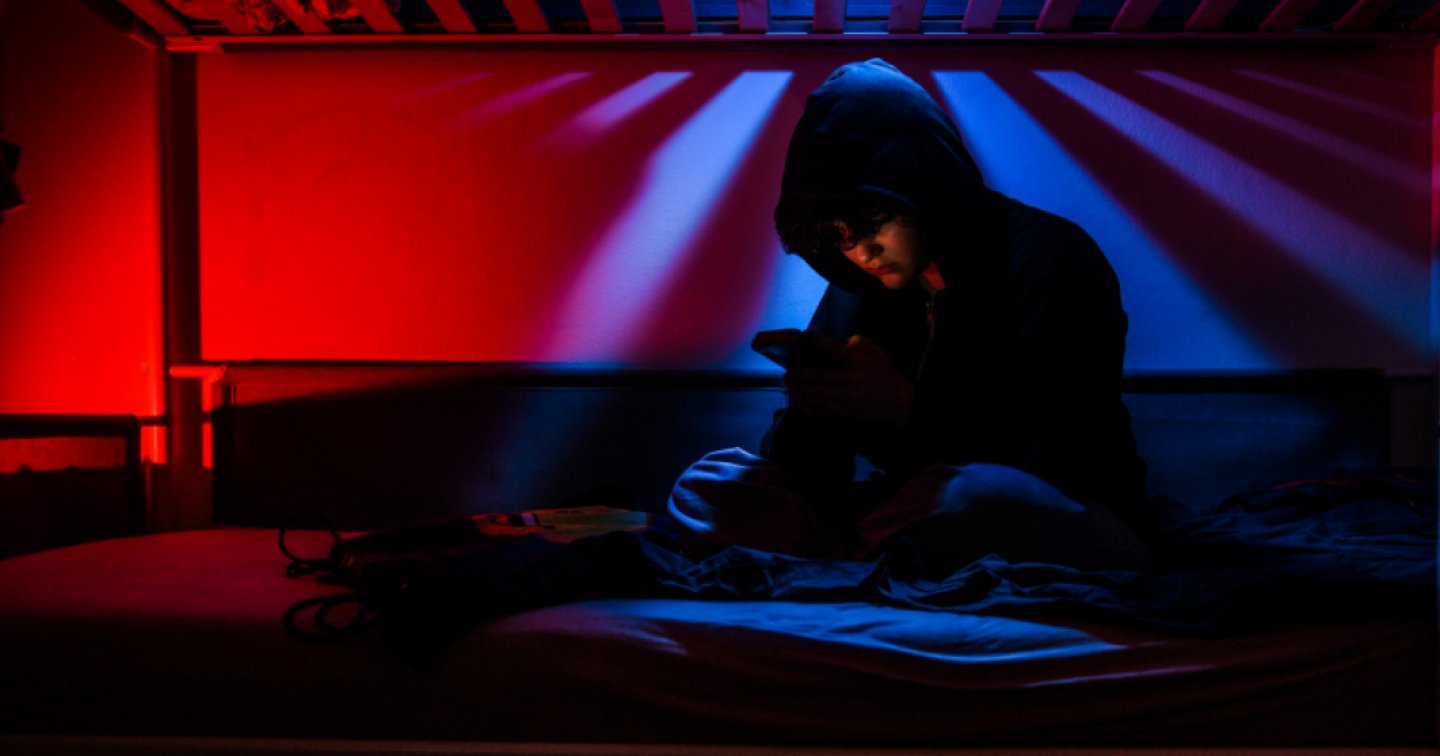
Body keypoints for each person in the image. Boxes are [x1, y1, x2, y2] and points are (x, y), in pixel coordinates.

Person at [667, 59, 1153, 574]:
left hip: (1054, 508)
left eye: (874, 220)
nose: (862, 252)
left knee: (972, 497)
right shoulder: (859, 289)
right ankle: (871, 551)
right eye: (839, 235)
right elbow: (811, 471)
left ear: (926, 186)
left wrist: (907, 409)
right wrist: (811, 412)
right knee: (710, 484)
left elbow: (1063, 455)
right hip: (905, 511)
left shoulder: (1052, 259)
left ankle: (863, 552)